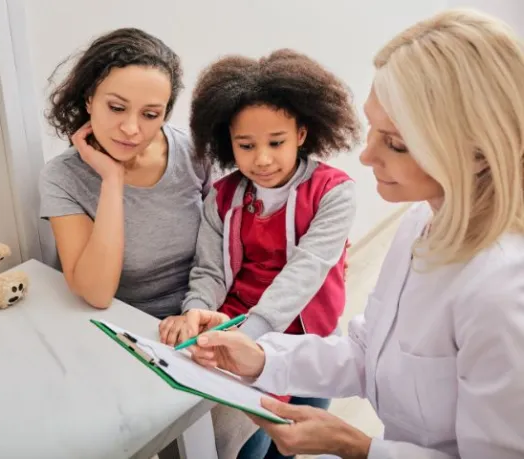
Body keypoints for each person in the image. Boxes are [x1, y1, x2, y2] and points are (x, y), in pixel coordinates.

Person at [183, 8, 524, 459]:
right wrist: (263, 358)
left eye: (395, 142)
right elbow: (368, 352)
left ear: (478, 152)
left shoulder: (503, 292)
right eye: (372, 130)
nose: (366, 157)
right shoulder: (419, 224)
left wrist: (357, 446)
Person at [159, 49, 360, 458]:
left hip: (305, 334)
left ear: (302, 134)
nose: (262, 158)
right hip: (233, 327)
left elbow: (306, 272)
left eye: (276, 142)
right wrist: (196, 311)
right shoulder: (223, 196)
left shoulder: (334, 192)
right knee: (248, 444)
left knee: (292, 440)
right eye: (246, 145)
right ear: (227, 143)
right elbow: (210, 269)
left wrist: (250, 335)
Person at [38, 28, 211, 317]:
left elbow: (223, 251)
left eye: (150, 114)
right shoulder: (62, 177)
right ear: (89, 99)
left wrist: (198, 312)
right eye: (117, 108)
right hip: (121, 323)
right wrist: (112, 180)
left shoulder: (195, 152)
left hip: (201, 314)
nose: (131, 129)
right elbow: (97, 293)